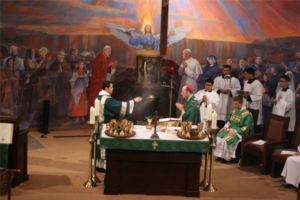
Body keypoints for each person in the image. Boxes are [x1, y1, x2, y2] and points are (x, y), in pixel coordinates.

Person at [214, 96, 254, 162]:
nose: (234, 105)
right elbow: (230, 121)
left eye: (236, 104)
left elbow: (246, 128)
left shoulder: (247, 114)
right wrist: (225, 127)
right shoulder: (234, 111)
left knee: (226, 139)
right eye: (234, 104)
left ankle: (229, 158)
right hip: (231, 129)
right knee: (219, 136)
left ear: (241, 103)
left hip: (240, 132)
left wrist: (235, 131)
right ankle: (221, 156)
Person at [19, 59, 46, 123]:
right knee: (26, 104)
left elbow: (43, 72)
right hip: (27, 89)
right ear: (26, 64)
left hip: (34, 89)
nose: (30, 64)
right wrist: (25, 82)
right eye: (29, 62)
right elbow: (20, 81)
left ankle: (32, 118)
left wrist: (46, 63)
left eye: (31, 62)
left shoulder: (35, 70)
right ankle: (24, 118)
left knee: (34, 104)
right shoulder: (24, 72)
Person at [272, 75, 296, 147]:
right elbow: (277, 102)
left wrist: (281, 100)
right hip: (279, 116)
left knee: (285, 136)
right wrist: (274, 101)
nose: (280, 83)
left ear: (287, 82)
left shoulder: (290, 93)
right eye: (280, 81)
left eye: (282, 81)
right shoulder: (279, 91)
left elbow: (289, 107)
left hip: (287, 116)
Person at [48, 50, 72, 122]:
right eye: (60, 55)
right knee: (57, 100)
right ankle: (57, 116)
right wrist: (57, 73)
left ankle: (64, 116)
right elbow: (50, 75)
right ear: (57, 55)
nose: (62, 56)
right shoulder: (53, 65)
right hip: (56, 85)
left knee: (65, 100)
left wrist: (63, 73)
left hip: (65, 85)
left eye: (63, 55)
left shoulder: (67, 64)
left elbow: (70, 74)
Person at [240, 67, 263, 132]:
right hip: (247, 105)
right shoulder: (246, 82)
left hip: (254, 107)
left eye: (246, 74)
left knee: (254, 125)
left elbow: (258, 96)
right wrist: (243, 95)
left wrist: (248, 97)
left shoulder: (257, 83)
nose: (245, 75)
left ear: (251, 74)